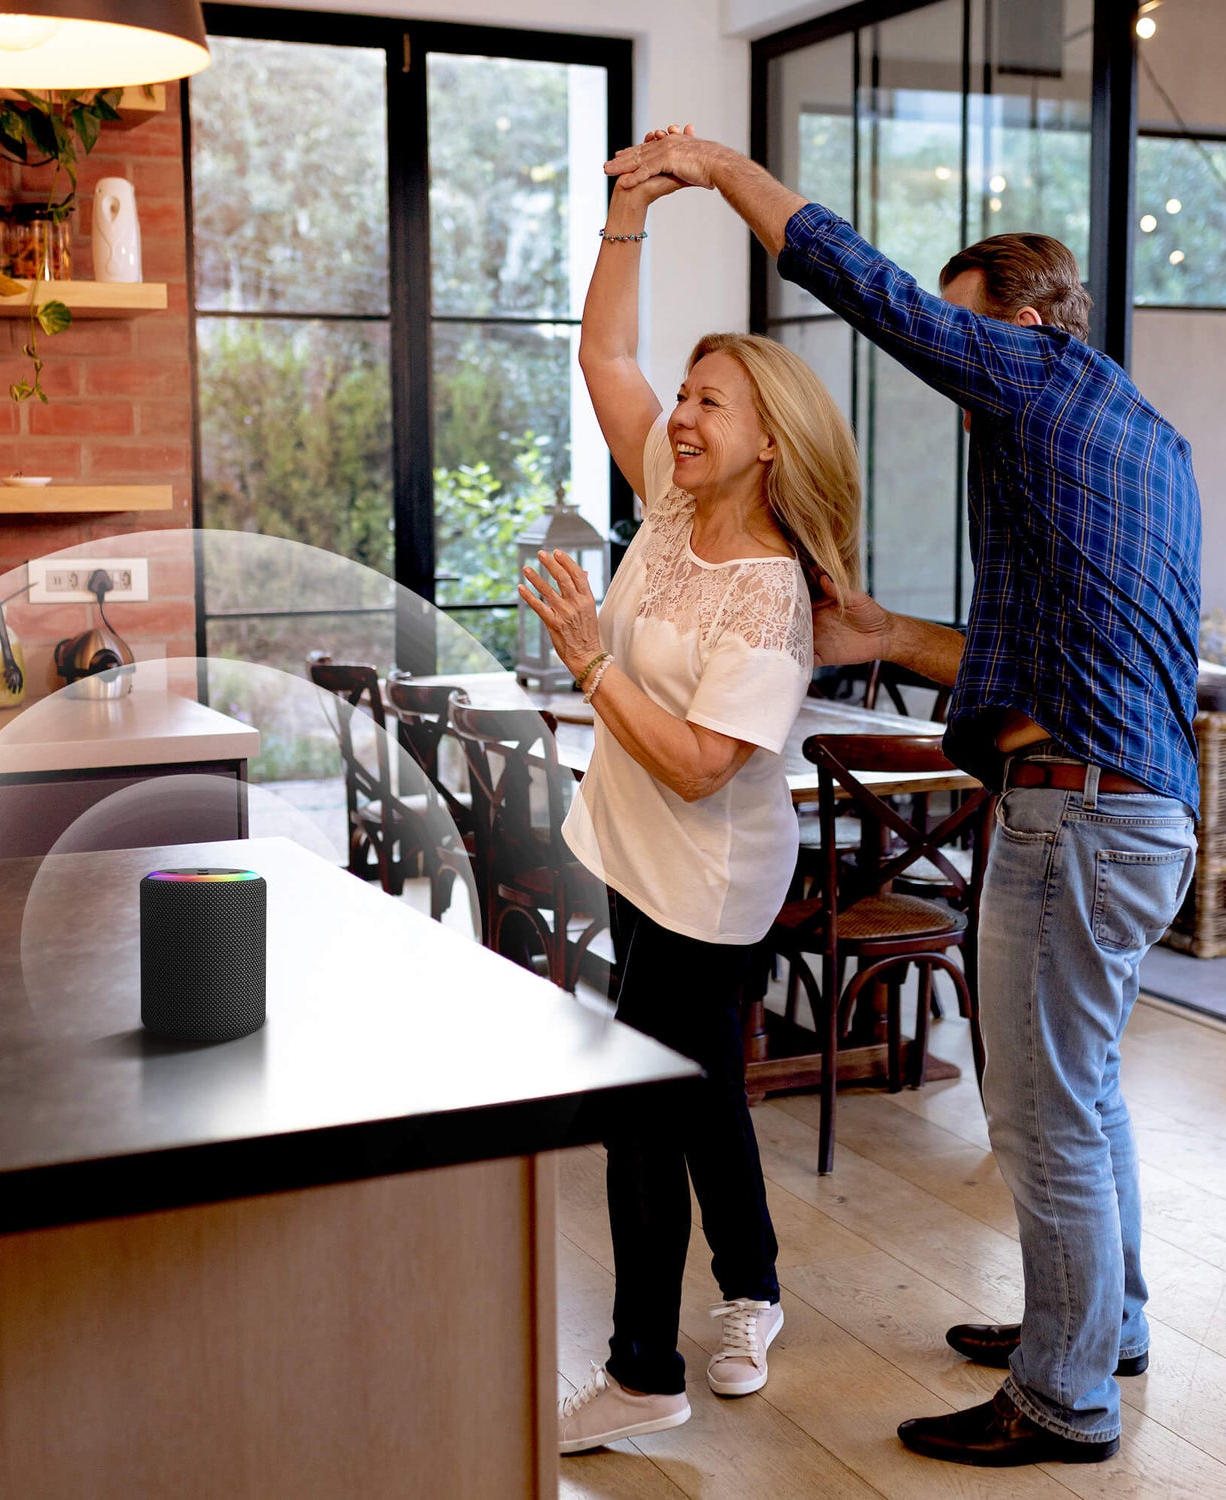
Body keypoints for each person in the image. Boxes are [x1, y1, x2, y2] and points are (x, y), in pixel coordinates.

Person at [607, 126, 1201, 1468]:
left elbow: (855, 282)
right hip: (1131, 803)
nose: (953, 360)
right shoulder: (1132, 438)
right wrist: (880, 637)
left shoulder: (1042, 384)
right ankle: (1101, 1328)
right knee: (1085, 1092)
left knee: (1039, 1111)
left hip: (1079, 814)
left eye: (966, 333)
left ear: (1029, 324)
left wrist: (717, 169)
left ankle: (1063, 1400)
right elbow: (1055, 661)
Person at [517, 137, 862, 1457]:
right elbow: (609, 362)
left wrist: (593, 666)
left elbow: (703, 766)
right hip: (635, 854)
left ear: (768, 442)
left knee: (647, 1106)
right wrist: (625, 219)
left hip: (710, 888)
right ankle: (757, 1288)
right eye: (689, 398)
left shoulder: (768, 595)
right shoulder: (669, 507)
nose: (683, 415)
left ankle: (643, 1365)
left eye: (711, 403)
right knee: (703, 1086)